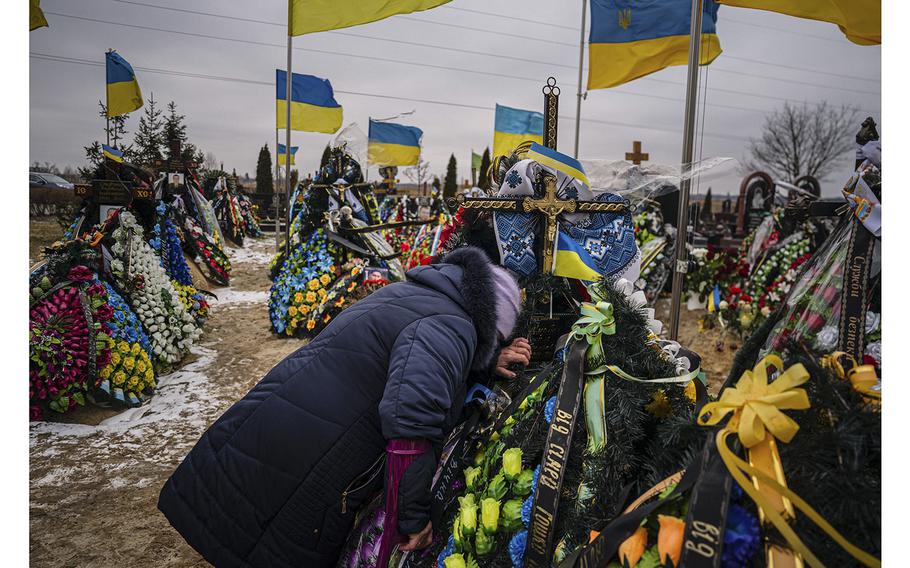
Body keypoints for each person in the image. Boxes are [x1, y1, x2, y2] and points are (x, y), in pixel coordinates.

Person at [158, 247, 531, 567]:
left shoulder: (412, 294)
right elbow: (413, 421)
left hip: (270, 432)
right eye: (495, 337)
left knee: (242, 533)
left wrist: (482, 360)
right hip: (310, 461)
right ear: (488, 321)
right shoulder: (452, 327)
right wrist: (412, 517)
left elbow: (417, 361)